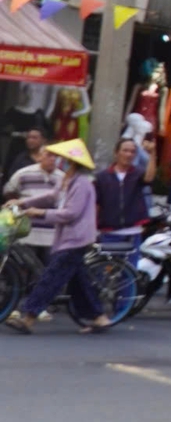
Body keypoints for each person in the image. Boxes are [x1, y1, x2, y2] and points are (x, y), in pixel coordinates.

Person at [4, 140, 111, 335]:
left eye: (65, 160)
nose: (60, 163)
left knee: (51, 278)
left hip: (75, 239)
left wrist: (40, 213)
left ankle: (28, 318)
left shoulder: (83, 184)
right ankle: (99, 317)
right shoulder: (67, 181)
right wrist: (23, 202)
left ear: (72, 162)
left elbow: (70, 213)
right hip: (67, 238)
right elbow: (51, 196)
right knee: (79, 281)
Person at [95, 138, 152, 253]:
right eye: (125, 151)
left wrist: (153, 154)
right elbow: (97, 204)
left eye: (132, 152)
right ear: (116, 153)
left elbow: (149, 178)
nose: (129, 154)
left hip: (133, 233)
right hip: (109, 233)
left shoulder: (138, 173)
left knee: (130, 269)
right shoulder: (102, 177)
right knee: (107, 269)